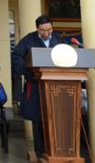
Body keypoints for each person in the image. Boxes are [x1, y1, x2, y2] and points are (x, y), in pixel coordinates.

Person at [12, 15, 61, 159]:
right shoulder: (29, 39)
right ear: (37, 29)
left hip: (56, 85)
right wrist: (28, 70)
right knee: (38, 117)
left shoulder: (58, 38)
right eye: (43, 31)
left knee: (56, 117)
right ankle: (40, 152)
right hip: (35, 84)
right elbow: (16, 56)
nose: (46, 34)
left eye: (49, 30)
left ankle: (55, 150)